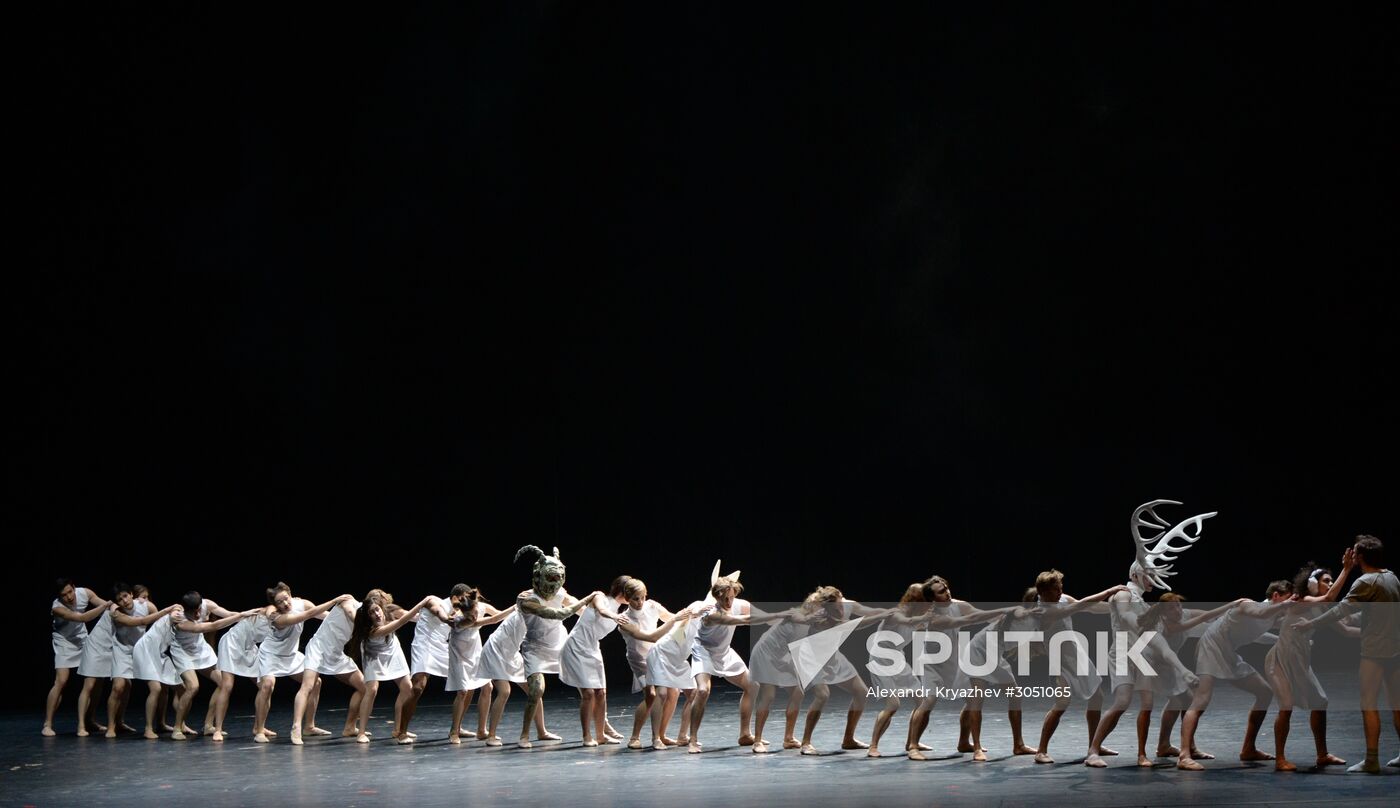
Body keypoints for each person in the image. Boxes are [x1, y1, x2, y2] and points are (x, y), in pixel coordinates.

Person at [1297, 536, 1400, 773]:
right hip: (1395, 648)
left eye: (1354, 553)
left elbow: (1339, 610)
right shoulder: (1392, 577)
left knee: (1368, 704)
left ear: (1359, 557)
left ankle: (1372, 760)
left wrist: (1309, 623)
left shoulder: (1365, 581)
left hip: (1375, 651)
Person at [1174, 581, 1296, 770]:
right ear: (1276, 596)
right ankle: (1184, 755)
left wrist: (1283, 640)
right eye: (1289, 598)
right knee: (1201, 700)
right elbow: (1260, 613)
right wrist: (1286, 606)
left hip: (1229, 653)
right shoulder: (1247, 604)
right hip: (1211, 647)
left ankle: (1248, 748)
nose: (1290, 604)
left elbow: (1258, 635)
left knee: (1264, 692)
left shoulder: (1271, 618)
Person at [1031, 571, 1130, 763]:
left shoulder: (1061, 600)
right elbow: (1081, 605)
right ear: (1043, 592)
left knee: (1097, 696)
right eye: (1056, 589)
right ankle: (1040, 751)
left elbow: (1091, 608)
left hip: (1076, 655)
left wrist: (1115, 608)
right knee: (1062, 703)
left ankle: (1095, 744)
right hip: (1061, 661)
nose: (1061, 592)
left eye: (1061, 588)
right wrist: (1110, 591)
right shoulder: (1043, 610)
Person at [684, 576, 790, 753]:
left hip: (724, 651)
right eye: (724, 598)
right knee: (703, 690)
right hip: (704, 651)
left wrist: (781, 621)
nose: (728, 601)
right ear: (716, 597)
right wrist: (779, 615)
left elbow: (760, 616)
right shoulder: (711, 613)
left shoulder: (739, 604)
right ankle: (693, 740)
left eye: (731, 597)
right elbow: (742, 620)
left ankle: (744, 735)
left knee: (753, 685)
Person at [1266, 563, 1355, 770]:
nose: (1330, 584)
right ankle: (1280, 759)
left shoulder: (1320, 608)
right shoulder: (1304, 600)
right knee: (1286, 706)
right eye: (1326, 581)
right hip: (1280, 658)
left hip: (1300, 660)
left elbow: (1347, 631)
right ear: (1313, 584)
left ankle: (1322, 754)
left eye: (1331, 581)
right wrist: (1347, 570)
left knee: (1320, 702)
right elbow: (1330, 598)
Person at [512, 545, 600, 748]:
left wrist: (600, 615)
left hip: (561, 644)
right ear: (539, 575)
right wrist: (588, 598)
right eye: (551, 578)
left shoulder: (561, 594)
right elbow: (557, 614)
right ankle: (525, 734)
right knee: (536, 690)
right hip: (535, 647)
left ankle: (601, 729)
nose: (555, 584)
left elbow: (581, 610)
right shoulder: (526, 599)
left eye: (558, 578)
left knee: (587, 688)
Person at [253, 584, 351, 743]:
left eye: (286, 598)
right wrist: (335, 600)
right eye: (280, 602)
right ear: (275, 605)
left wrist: (346, 616)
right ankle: (259, 730)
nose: (285, 603)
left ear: (290, 594)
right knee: (267, 685)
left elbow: (323, 615)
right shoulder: (278, 618)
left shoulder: (301, 603)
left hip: (291, 654)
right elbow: (310, 614)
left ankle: (309, 726)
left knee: (316, 682)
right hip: (271, 654)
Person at [168, 592, 260, 740]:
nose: (198, 614)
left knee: (223, 683)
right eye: (193, 612)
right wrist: (242, 615)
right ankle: (177, 727)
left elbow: (228, 614)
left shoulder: (207, 604)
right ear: (185, 610)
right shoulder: (180, 620)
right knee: (193, 686)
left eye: (198, 610)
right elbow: (212, 626)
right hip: (182, 651)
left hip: (200, 648)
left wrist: (249, 616)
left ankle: (208, 725)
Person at [345, 592, 434, 744]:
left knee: (407, 687)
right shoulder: (370, 630)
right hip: (373, 654)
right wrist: (420, 604)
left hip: (393, 651)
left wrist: (433, 617)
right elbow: (401, 622)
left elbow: (409, 616)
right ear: (367, 616)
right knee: (371, 689)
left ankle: (399, 729)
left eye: (377, 610)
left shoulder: (390, 610)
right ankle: (361, 732)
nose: (377, 614)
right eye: (372, 612)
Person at [614, 577, 683, 749]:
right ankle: (635, 737)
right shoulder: (624, 620)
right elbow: (650, 637)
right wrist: (675, 621)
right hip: (639, 658)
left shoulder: (652, 605)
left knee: (673, 692)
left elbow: (671, 618)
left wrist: (688, 617)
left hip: (656, 654)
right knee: (652, 695)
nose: (640, 602)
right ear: (627, 598)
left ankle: (662, 734)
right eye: (635, 598)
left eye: (642, 597)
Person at [559, 585, 629, 746]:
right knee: (588, 693)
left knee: (601, 693)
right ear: (622, 591)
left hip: (592, 648)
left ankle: (601, 735)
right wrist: (614, 617)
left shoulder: (620, 613)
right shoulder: (600, 596)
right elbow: (602, 610)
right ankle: (587, 736)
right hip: (576, 646)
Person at [105, 584, 177, 737]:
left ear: (131, 594)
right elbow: (139, 622)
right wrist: (167, 610)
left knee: (158, 687)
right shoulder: (116, 614)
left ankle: (155, 726)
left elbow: (158, 624)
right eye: (119, 599)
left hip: (142, 650)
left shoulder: (146, 605)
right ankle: (111, 726)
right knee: (118, 687)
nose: (124, 601)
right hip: (123, 651)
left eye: (125, 596)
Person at [445, 586, 513, 743]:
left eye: (475, 613)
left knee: (487, 687)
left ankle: (482, 730)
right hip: (459, 654)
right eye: (470, 616)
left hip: (475, 649)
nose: (474, 617)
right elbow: (492, 620)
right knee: (462, 691)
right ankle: (454, 731)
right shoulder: (458, 620)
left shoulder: (482, 607)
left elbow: (498, 616)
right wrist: (514, 607)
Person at [45, 578, 109, 736]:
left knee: (96, 680)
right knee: (61, 680)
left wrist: (114, 607)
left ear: (74, 587)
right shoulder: (57, 607)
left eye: (70, 591)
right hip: (64, 641)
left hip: (81, 639)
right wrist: (105, 605)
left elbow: (104, 604)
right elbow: (82, 618)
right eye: (64, 594)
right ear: (59, 596)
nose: (69, 596)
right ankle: (48, 723)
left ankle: (89, 720)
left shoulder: (85, 593)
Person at [400, 588, 461, 742]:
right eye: (462, 599)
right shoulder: (435, 600)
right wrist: (447, 619)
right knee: (418, 687)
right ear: (454, 597)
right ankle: (402, 732)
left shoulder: (460, 611)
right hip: (424, 645)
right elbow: (438, 612)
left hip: (441, 647)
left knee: (466, 685)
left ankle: (456, 729)